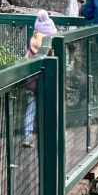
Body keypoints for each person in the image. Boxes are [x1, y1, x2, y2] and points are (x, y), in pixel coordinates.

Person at [22, 9, 57, 144]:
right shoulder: (50, 47)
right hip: (46, 84)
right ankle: (51, 135)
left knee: (30, 108)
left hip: (31, 84)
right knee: (50, 107)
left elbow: (25, 62)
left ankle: (27, 136)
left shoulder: (32, 44)